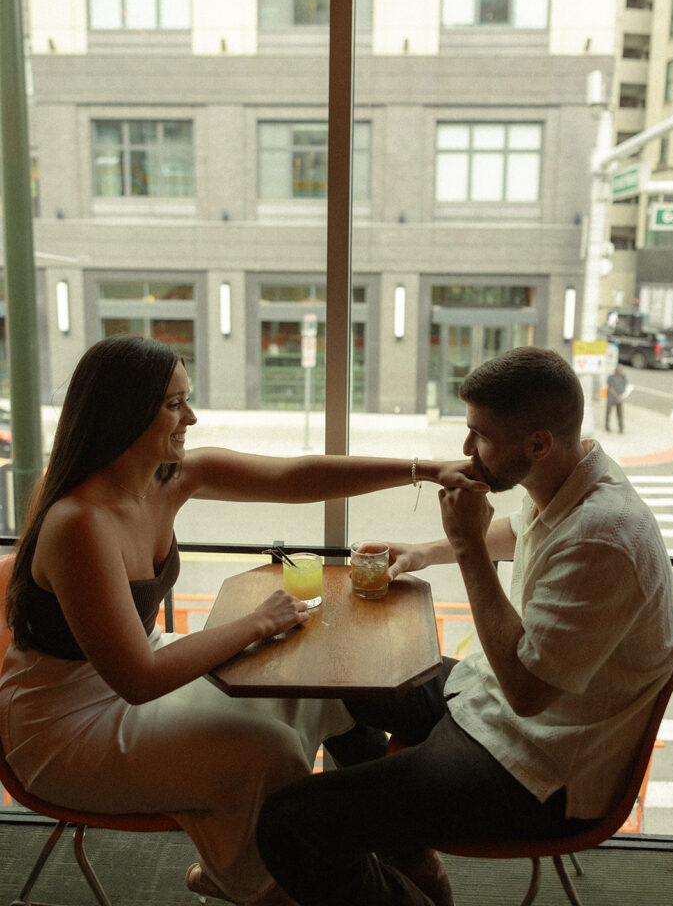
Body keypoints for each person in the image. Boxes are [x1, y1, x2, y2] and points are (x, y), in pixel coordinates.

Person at [0, 333, 471, 906]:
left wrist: (423, 468)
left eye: (186, 400)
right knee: (264, 750)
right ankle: (268, 880)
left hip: (138, 676)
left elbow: (297, 477)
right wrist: (257, 622)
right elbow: (138, 678)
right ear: (123, 411)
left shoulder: (168, 478)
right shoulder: (80, 522)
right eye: (174, 404)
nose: (191, 417)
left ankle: (376, 845)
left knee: (319, 687)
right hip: (68, 722)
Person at [256, 347, 673, 906]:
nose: (464, 450)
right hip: (493, 707)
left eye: (479, 435)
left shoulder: (603, 537)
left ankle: (393, 873)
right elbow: (522, 530)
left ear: (537, 444)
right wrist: (429, 550)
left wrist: (467, 550)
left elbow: (527, 693)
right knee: (343, 672)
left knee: (287, 823)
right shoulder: (576, 474)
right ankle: (407, 854)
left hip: (538, 768)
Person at [605, 363, 627, 433]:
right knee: (608, 412)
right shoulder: (611, 377)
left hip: (619, 398)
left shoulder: (623, 377)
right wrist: (617, 396)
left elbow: (625, 386)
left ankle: (621, 428)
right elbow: (610, 387)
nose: (621, 372)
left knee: (620, 413)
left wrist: (621, 396)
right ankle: (607, 426)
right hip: (611, 397)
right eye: (619, 370)